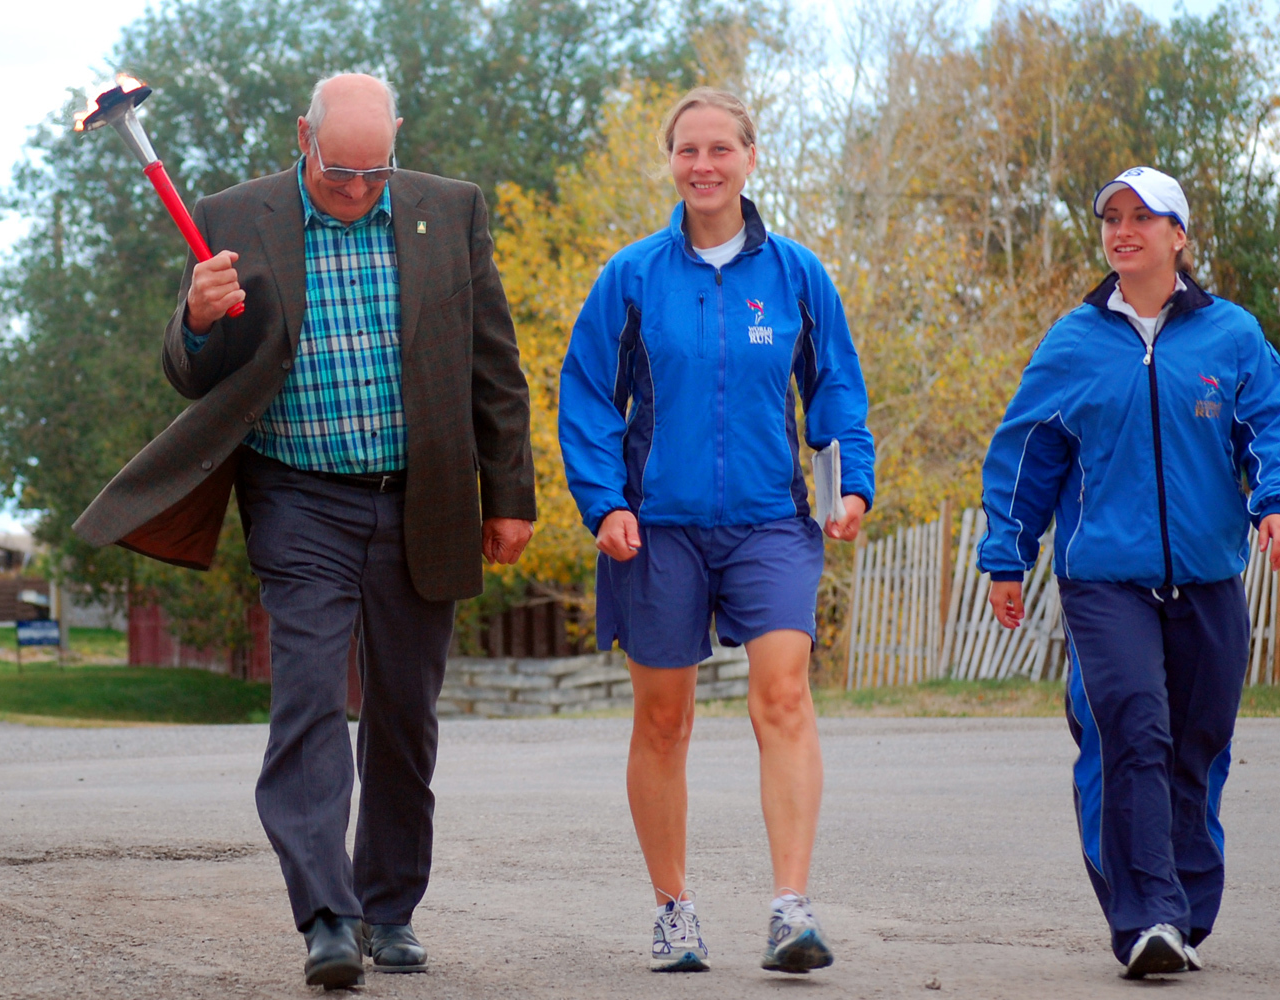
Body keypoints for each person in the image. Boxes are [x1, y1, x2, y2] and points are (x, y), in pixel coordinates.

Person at [73, 73, 536, 988]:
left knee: (404, 716)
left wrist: (509, 494)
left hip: (423, 495)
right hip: (297, 498)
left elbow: (495, 360)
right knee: (311, 701)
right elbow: (191, 371)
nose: (357, 189)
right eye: (338, 172)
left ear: (396, 143)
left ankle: (390, 910)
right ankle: (328, 915)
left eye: (375, 171)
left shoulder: (452, 211)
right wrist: (198, 319)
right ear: (303, 137)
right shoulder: (231, 218)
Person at [557, 87, 875, 975]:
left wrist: (851, 486)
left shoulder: (798, 276)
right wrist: (605, 502)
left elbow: (836, 389)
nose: (703, 166)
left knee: (784, 695)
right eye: (687, 151)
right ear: (671, 161)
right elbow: (587, 396)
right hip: (656, 529)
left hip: (771, 521)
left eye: (719, 149)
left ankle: (789, 909)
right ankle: (674, 911)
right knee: (665, 720)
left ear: (750, 158)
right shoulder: (632, 278)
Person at [978, 166, 1280, 979]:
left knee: (1197, 745)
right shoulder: (1073, 343)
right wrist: (1007, 555)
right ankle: (1146, 917)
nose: (1123, 232)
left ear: (1178, 236)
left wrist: (1279, 504)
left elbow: (1274, 421)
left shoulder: (1231, 335)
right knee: (1130, 731)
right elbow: (1026, 451)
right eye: (1111, 219)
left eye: (1142, 218)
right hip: (1104, 581)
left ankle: (1185, 912)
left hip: (1207, 577)